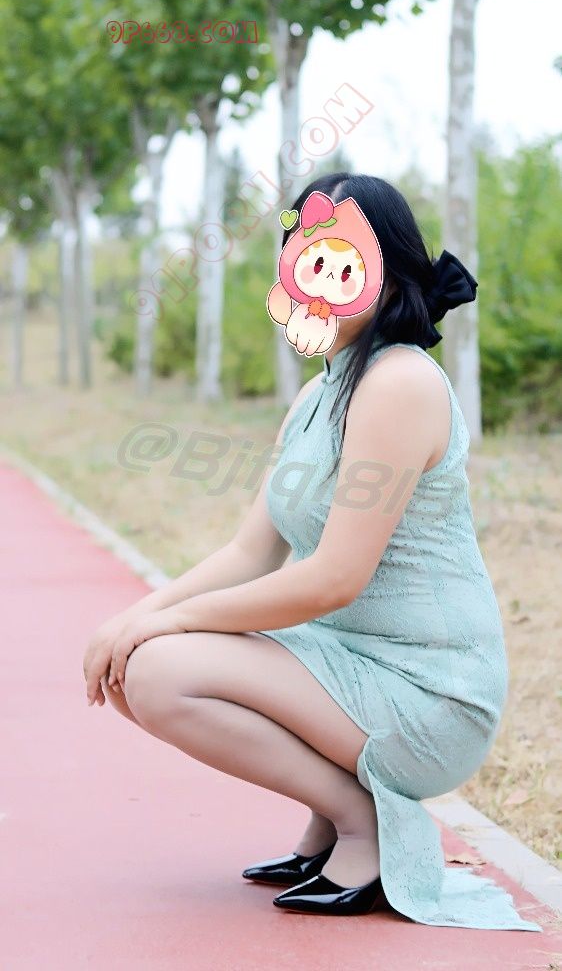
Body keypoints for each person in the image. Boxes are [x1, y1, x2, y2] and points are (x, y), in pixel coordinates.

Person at [83, 173, 539, 930]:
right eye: (299, 255)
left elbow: (333, 579)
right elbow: (250, 550)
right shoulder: (318, 392)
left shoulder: (399, 384)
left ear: (381, 270)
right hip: (351, 666)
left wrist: (167, 626)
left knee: (159, 671)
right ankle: (330, 822)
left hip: (428, 692)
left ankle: (363, 824)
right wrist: (137, 616)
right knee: (138, 662)